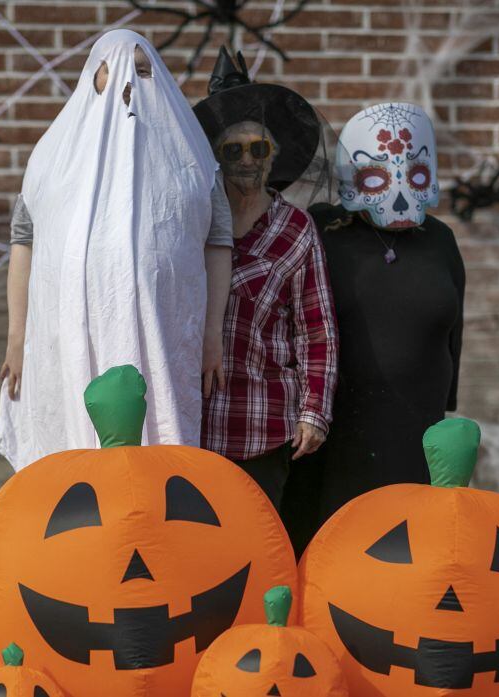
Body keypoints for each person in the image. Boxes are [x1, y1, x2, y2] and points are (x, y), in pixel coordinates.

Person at [0, 29, 233, 470]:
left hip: (159, 335)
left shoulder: (193, 160)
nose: (127, 83)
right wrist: (16, 339)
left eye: (141, 72)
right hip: (69, 335)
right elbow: (24, 244)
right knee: (73, 457)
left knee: (157, 461)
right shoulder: (52, 157)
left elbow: (217, 242)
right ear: (92, 79)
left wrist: (212, 336)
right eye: (113, 71)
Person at [301, 101, 465, 542]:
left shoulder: (440, 241)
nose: (396, 194)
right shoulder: (320, 231)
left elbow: (454, 327)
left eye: (413, 176)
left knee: (412, 540)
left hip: (418, 423)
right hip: (338, 428)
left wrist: (447, 401)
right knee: (336, 537)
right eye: (376, 177)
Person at [193, 48, 339, 511]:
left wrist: (314, 412)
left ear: (274, 156)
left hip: (263, 423)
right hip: (190, 423)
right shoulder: (187, 224)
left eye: (259, 148)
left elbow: (316, 331)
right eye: (232, 150)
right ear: (214, 159)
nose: (248, 160)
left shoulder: (296, 230)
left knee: (257, 554)